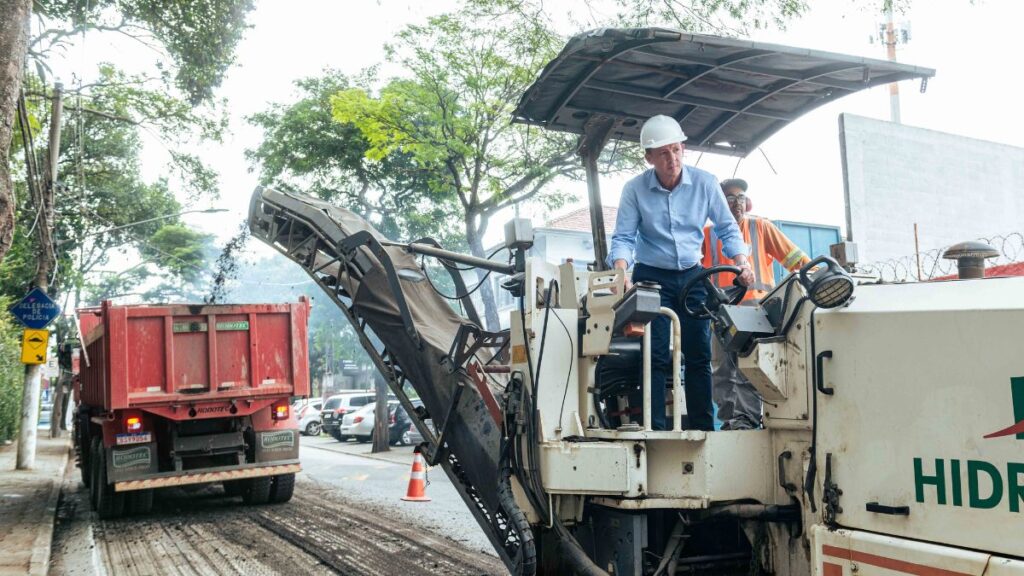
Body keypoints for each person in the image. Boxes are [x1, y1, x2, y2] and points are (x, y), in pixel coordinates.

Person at [607, 115, 753, 431]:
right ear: (649, 157)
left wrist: (742, 261)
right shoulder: (634, 190)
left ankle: (703, 430)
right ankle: (657, 431)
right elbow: (623, 238)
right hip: (651, 277)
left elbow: (727, 228)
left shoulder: (705, 183)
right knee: (656, 355)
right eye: (663, 153)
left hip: (692, 276)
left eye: (676, 150)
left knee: (699, 355)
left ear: (683, 148)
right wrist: (621, 273)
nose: (672, 159)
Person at [702, 178, 811, 430]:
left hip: (754, 309)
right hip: (721, 310)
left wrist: (813, 275)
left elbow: (795, 258)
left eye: (740, 198)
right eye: (729, 199)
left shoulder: (760, 227)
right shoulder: (707, 234)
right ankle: (730, 420)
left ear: (747, 202)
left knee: (749, 366)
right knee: (721, 370)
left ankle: (746, 420)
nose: (735, 203)